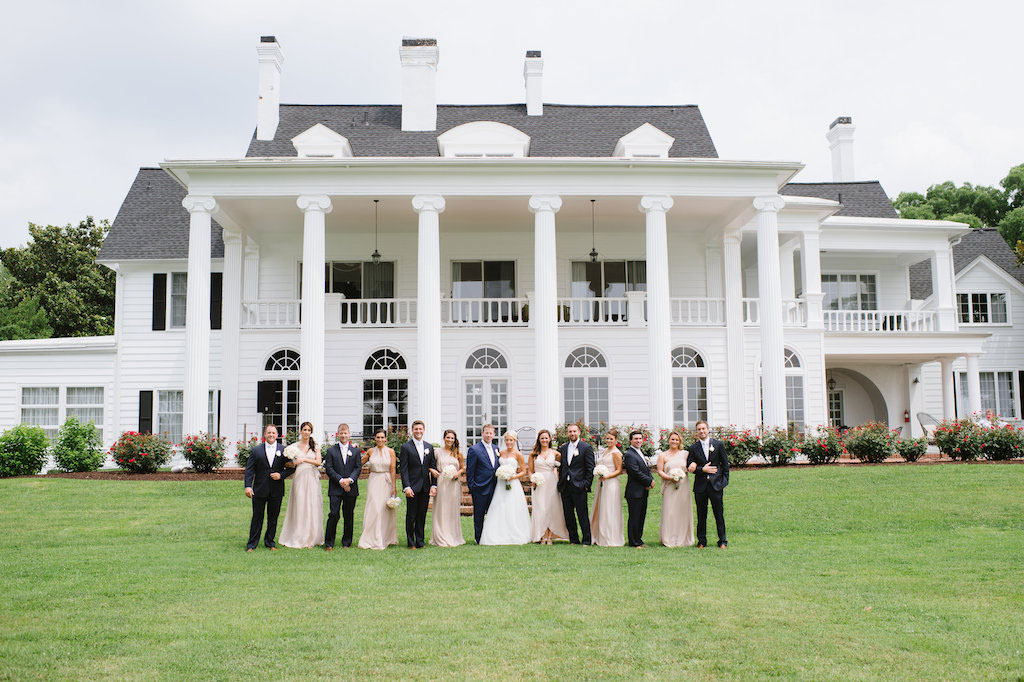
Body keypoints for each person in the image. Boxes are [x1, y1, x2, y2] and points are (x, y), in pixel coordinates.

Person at [243, 423, 293, 551]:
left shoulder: (284, 450)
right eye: (269, 432)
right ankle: (252, 544)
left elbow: (291, 467)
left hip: (276, 489)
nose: (271, 435)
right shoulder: (256, 450)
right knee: (257, 517)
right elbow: (249, 470)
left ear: (277, 435)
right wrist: (248, 486)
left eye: (273, 433)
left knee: (273, 517)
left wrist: (280, 475)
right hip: (259, 489)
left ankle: (270, 542)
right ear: (264, 435)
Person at [479, 431, 532, 545]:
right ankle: (497, 533)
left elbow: (523, 471)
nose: (509, 442)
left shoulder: (518, 454)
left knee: (512, 507)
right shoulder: (500, 453)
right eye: (507, 440)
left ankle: (515, 532)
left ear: (515, 441)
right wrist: (502, 474)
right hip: (501, 484)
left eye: (511, 440)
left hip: (513, 484)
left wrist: (512, 477)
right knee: (499, 506)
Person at [279, 421, 325, 549]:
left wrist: (304, 459)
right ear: (300, 431)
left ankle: (311, 537)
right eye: (304, 430)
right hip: (299, 477)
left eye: (309, 430)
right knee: (299, 505)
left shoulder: (315, 446)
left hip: (311, 477)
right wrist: (294, 463)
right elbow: (287, 464)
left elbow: (318, 462)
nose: (306, 432)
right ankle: (298, 535)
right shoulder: (293, 447)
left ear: (311, 432)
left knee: (312, 505)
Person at [686, 420, 728, 548]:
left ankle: (722, 541)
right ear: (696, 432)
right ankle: (702, 541)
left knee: (718, 514)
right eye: (699, 429)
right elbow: (689, 466)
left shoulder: (718, 444)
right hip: (700, 486)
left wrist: (723, 483)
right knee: (701, 515)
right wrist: (702, 469)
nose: (701, 431)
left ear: (708, 430)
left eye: (703, 428)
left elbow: (725, 466)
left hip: (716, 485)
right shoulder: (693, 448)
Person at [323, 423, 363, 550]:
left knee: (348, 515)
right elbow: (329, 468)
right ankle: (329, 542)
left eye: (346, 433)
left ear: (349, 434)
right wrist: (340, 480)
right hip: (335, 488)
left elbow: (358, 467)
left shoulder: (355, 451)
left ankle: (347, 542)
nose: (344, 435)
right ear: (338, 434)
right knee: (334, 514)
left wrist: (349, 480)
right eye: (341, 433)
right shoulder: (331, 450)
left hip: (351, 488)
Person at [357, 429, 399, 550]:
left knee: (384, 509)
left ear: (385, 439)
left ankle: (386, 537)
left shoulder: (391, 452)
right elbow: (359, 463)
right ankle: (371, 537)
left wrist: (394, 487)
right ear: (374, 439)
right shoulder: (370, 451)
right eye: (378, 437)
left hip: (386, 481)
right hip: (374, 480)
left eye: (382, 437)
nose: (380, 440)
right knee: (374, 508)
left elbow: (393, 470)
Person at [399, 420, 437, 549]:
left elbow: (433, 467)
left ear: (424, 430)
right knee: (411, 515)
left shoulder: (429, 447)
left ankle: (420, 541)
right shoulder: (406, 447)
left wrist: (434, 485)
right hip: (412, 487)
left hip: (425, 486)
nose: (418, 431)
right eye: (416, 429)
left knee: (422, 515)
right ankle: (411, 542)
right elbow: (403, 469)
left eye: (420, 429)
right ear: (412, 430)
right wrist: (406, 487)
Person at [528, 429, 568, 544]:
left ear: (550, 439)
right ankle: (542, 534)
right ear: (539, 440)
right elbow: (530, 470)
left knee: (551, 508)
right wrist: (533, 479)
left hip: (551, 482)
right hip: (539, 483)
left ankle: (550, 536)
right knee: (541, 508)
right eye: (542, 438)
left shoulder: (556, 454)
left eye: (546, 438)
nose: (544, 440)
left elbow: (560, 468)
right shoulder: (533, 454)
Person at [557, 423, 595, 545]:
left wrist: (586, 484)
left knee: (582, 514)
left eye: (574, 431)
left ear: (579, 432)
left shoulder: (586, 447)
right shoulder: (563, 448)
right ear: (567, 433)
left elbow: (590, 468)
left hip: (579, 486)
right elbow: (562, 467)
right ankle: (574, 539)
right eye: (570, 431)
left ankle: (586, 540)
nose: (572, 433)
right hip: (565, 486)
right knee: (568, 515)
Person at [657, 431, 695, 547]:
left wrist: (693, 464)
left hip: (683, 486)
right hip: (669, 486)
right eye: (672, 439)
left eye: (677, 440)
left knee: (682, 511)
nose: (674, 442)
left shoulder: (685, 454)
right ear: (669, 440)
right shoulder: (662, 455)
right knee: (670, 512)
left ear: (680, 442)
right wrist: (670, 478)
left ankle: (683, 538)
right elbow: (659, 471)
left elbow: (691, 464)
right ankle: (668, 538)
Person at [429, 429, 466, 547]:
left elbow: (462, 468)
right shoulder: (437, 452)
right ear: (444, 438)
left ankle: (453, 535)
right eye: (448, 437)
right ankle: (440, 535)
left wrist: (457, 473)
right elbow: (430, 466)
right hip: (441, 483)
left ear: (455, 440)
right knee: (441, 509)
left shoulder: (458, 453)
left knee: (452, 510)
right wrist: (432, 471)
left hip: (454, 484)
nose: (450, 440)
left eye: (452, 438)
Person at [466, 423, 501, 544]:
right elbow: (470, 470)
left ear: (494, 434)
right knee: (479, 515)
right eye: (487, 432)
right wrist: (472, 486)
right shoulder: (474, 449)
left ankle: (492, 537)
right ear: (482, 433)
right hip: (480, 487)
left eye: (491, 433)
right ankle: (479, 538)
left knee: (493, 514)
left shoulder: (496, 448)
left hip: (495, 487)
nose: (489, 435)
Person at [589, 429, 624, 547]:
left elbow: (619, 470)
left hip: (611, 484)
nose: (608, 440)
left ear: (616, 440)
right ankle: (598, 535)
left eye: (611, 439)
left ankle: (610, 537)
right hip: (601, 483)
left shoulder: (616, 453)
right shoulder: (605, 451)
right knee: (601, 508)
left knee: (609, 509)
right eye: (607, 438)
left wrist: (607, 476)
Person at [622, 429, 654, 548]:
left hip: (643, 490)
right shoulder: (629, 454)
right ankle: (633, 542)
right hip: (634, 492)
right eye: (635, 439)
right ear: (631, 440)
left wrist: (650, 479)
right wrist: (649, 481)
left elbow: (646, 469)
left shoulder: (639, 452)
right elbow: (635, 472)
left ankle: (638, 540)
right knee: (634, 517)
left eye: (640, 438)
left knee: (641, 516)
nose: (638, 441)